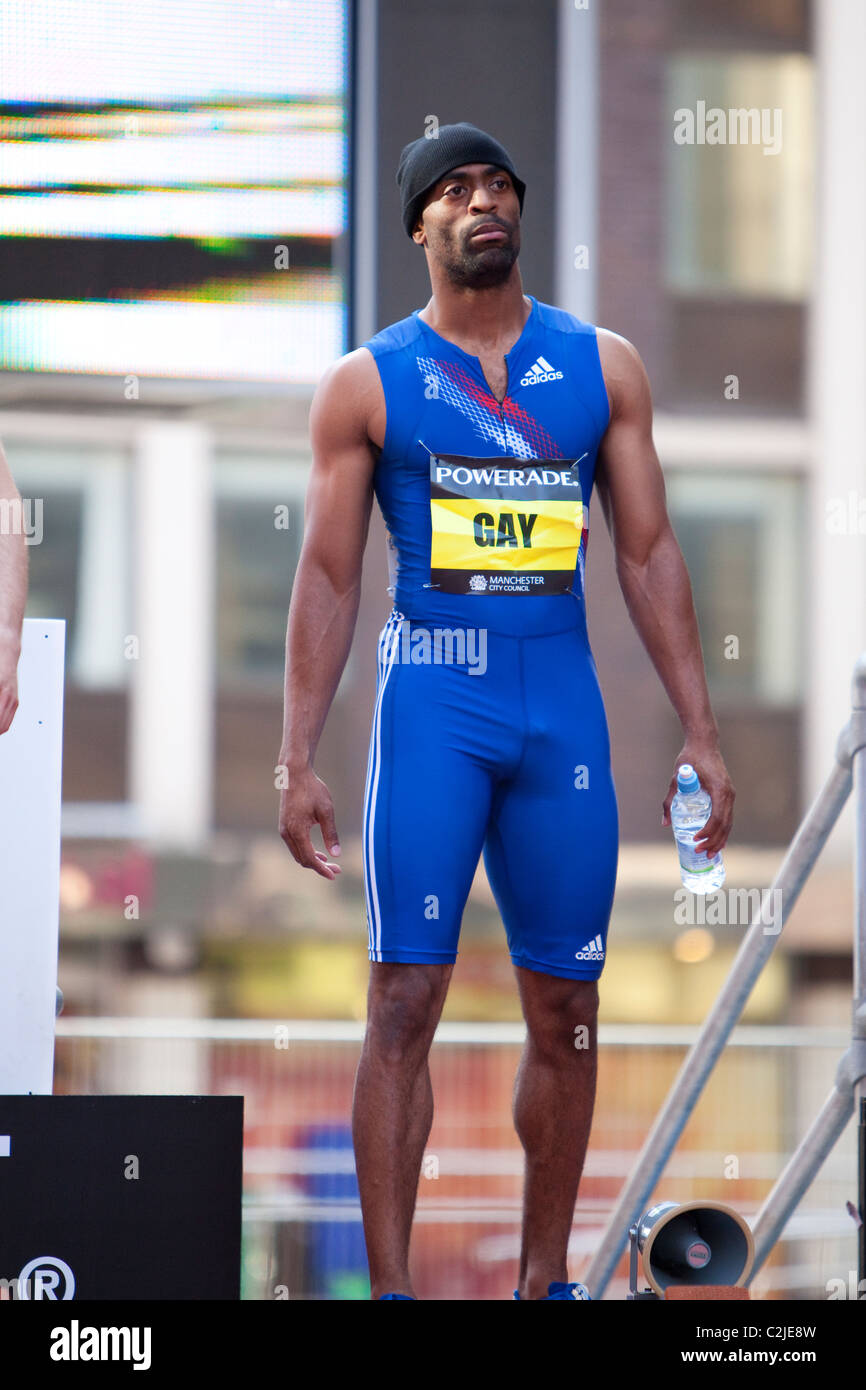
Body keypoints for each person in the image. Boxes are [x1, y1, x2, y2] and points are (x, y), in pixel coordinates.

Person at [278, 123, 734, 1300]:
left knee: (567, 1003)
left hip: (558, 713)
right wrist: (294, 757)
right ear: (420, 227)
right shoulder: (368, 382)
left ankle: (544, 1284)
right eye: (456, 189)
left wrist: (699, 730)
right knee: (403, 997)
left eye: (498, 186)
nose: (484, 201)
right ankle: (391, 1292)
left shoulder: (602, 368)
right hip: (432, 701)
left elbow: (643, 553)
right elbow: (326, 577)